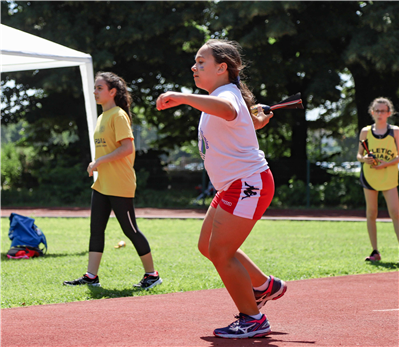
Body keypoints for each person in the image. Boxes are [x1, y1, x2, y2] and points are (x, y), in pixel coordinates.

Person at [156, 39, 286, 339]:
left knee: (221, 251)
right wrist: (252, 124)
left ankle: (253, 318)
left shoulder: (225, 94)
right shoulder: (221, 94)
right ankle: (266, 286)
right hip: (233, 186)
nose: (194, 67)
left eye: (201, 62)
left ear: (222, 67)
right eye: (195, 62)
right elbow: (233, 122)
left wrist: (181, 96)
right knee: (208, 247)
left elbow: (227, 110)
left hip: (247, 183)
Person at [64, 72, 162, 289]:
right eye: (95, 87)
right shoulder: (102, 117)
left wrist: (98, 161)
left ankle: (152, 275)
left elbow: (128, 148)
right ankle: (91, 276)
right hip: (102, 184)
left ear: (112, 92)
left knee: (130, 230)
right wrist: (99, 163)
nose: (95, 91)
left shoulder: (118, 115)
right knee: (96, 229)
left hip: (119, 183)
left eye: (99, 88)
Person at [357, 97, 399, 262]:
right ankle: (375, 251)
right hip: (370, 175)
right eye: (377, 111)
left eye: (383, 111)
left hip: (388, 175)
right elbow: (359, 154)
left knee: (396, 213)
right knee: (371, 213)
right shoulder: (366, 132)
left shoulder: (395, 131)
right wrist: (365, 159)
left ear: (389, 113)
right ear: (372, 112)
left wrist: (387, 163)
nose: (380, 114)